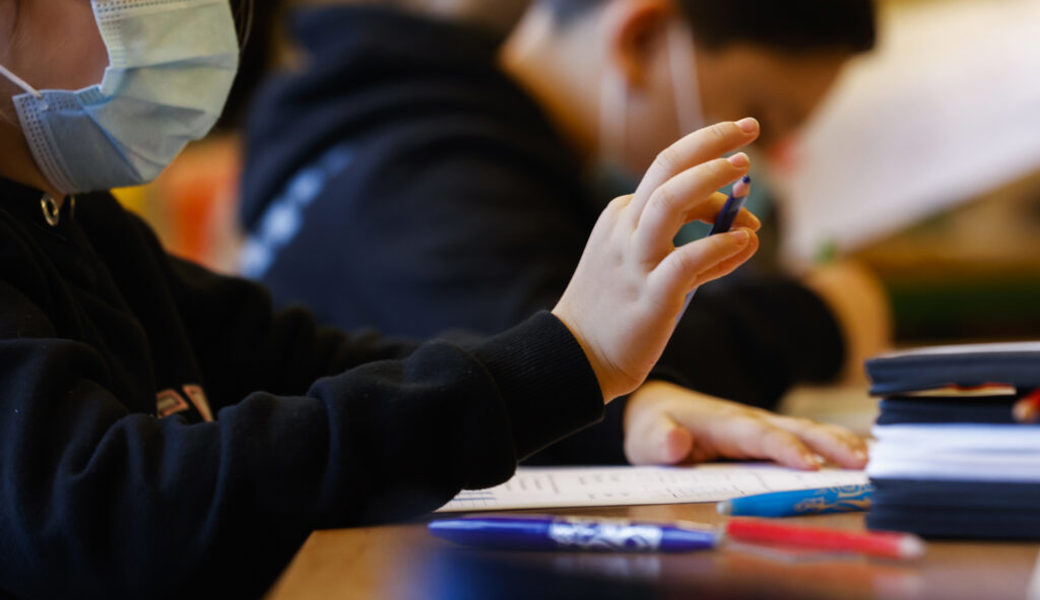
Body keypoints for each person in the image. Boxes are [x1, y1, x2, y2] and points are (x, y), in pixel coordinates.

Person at [0, 1, 867, 598]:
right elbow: (105, 512)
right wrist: (573, 356)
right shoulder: (420, 168)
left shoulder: (82, 224)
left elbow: (310, 360)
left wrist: (606, 402)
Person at [238, 0, 887, 464]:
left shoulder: (455, 129)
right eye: (765, 121)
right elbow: (548, 362)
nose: (775, 164)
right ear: (639, 37)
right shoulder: (428, 174)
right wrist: (822, 316)